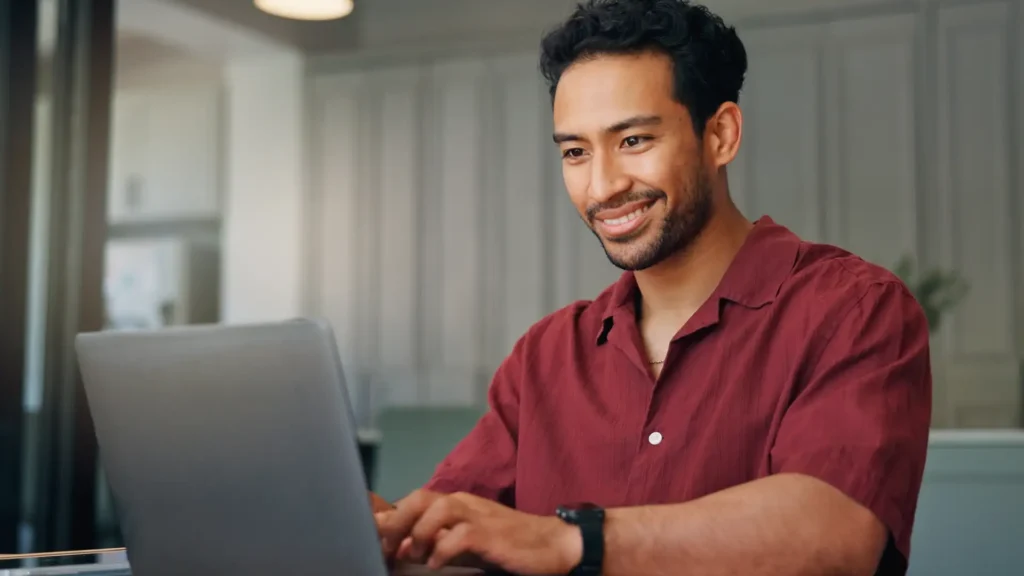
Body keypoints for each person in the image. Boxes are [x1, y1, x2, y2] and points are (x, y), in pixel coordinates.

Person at [374, 0, 932, 574]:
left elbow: (835, 533)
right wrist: (380, 532)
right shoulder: (544, 356)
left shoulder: (855, 310)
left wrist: (569, 541)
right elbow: (449, 537)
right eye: (575, 152)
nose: (603, 185)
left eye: (634, 141)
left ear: (720, 135)